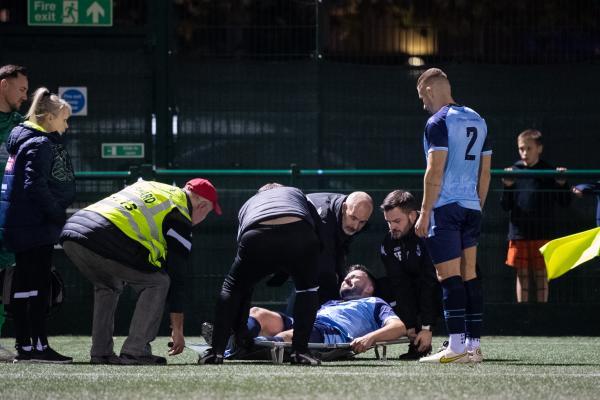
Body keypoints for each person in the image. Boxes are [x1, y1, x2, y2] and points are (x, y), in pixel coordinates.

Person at [60, 178, 221, 365]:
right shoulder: (180, 214)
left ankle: (101, 352)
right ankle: (135, 352)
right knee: (158, 282)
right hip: (104, 235)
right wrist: (178, 329)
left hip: (73, 230)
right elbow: (177, 278)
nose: (203, 219)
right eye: (208, 213)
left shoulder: (155, 186)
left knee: (108, 286)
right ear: (201, 205)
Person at [414, 68, 491, 364]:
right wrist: (477, 206)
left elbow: (434, 171)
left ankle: (456, 346)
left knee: (448, 277)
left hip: (444, 208)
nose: (423, 104)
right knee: (469, 274)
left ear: (431, 90)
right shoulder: (478, 119)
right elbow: (485, 173)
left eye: (422, 97)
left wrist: (424, 214)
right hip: (471, 206)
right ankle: (473, 347)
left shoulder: (438, 121)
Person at [201, 183, 322, 366]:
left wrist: (239, 329)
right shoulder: (296, 192)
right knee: (308, 290)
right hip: (299, 233)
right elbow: (318, 225)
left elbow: (243, 282)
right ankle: (300, 352)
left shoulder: (250, 203)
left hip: (256, 234)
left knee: (232, 288)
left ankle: (216, 352)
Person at [0, 87, 75, 363]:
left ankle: (26, 346)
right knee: (38, 286)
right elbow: (35, 185)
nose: (66, 126)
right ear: (48, 118)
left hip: (19, 225)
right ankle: (39, 346)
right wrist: (57, 213)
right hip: (34, 226)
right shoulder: (39, 143)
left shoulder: (20, 139)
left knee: (24, 285)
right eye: (64, 119)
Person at [214, 265, 406, 358]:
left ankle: (243, 347)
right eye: (346, 277)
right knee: (258, 312)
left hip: (332, 332)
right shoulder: (332, 302)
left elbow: (398, 327)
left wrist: (370, 338)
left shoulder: (375, 302)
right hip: (309, 322)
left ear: (369, 288)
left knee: (290, 335)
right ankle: (236, 337)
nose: (346, 279)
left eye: (354, 277)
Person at [501, 129, 570, 303]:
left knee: (541, 275)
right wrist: (508, 187)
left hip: (543, 232)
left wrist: (562, 184)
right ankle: (522, 314)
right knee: (522, 275)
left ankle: (542, 314)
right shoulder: (513, 171)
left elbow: (564, 202)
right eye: (521, 148)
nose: (524, 153)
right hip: (519, 233)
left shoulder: (549, 171)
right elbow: (505, 205)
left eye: (529, 148)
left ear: (539, 148)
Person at [277, 192, 373, 307]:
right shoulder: (324, 220)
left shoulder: (348, 216)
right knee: (310, 288)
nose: (356, 226)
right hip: (286, 243)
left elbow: (339, 249)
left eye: (362, 222)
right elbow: (325, 270)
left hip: (308, 245)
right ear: (344, 208)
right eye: (353, 218)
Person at [379, 189, 441, 360]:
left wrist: (427, 327)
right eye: (388, 222)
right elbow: (400, 284)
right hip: (418, 286)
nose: (392, 227)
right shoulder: (388, 244)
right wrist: (410, 324)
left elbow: (430, 280)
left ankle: (459, 341)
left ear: (413, 216)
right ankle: (416, 342)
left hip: (441, 284)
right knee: (385, 288)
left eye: (397, 221)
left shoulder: (431, 231)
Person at [0, 64, 28, 362]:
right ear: (3, 85)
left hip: (6, 215)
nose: (24, 95)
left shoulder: (21, 126)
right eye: (20, 89)